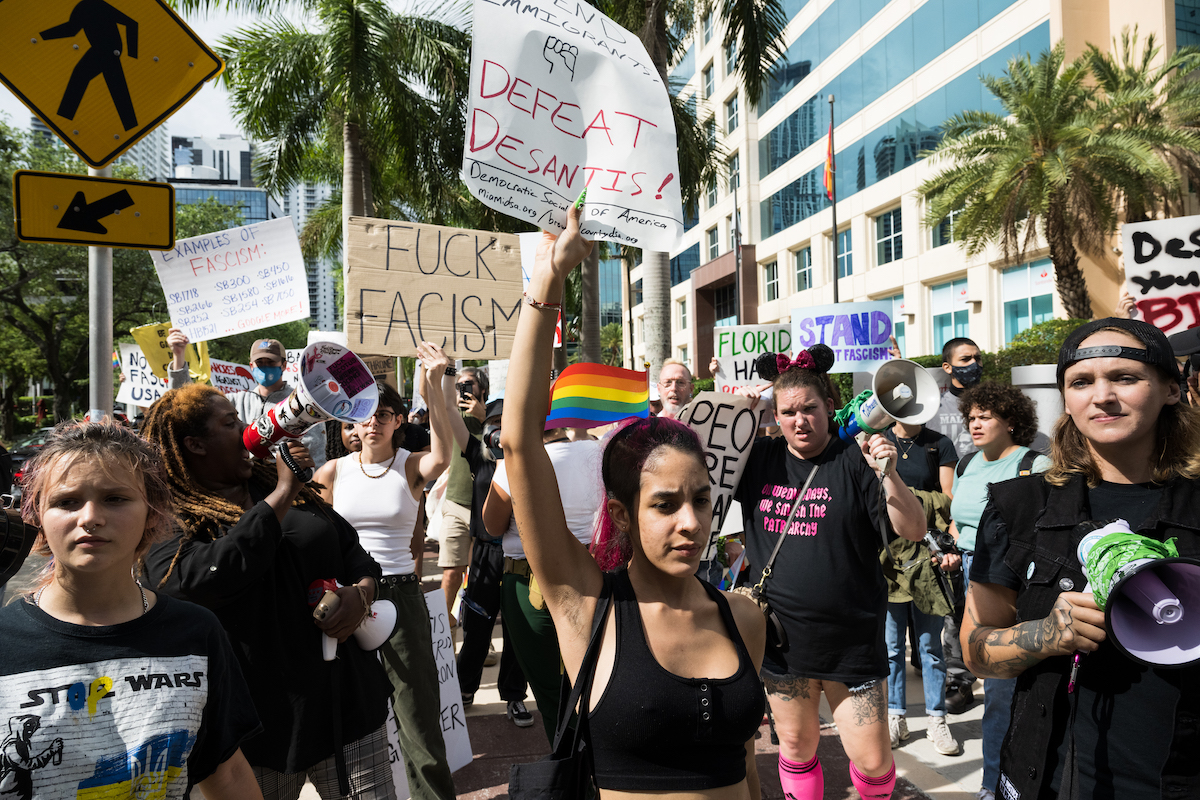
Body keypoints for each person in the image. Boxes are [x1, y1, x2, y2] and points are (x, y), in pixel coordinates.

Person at [503, 205, 768, 797]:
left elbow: (747, 766)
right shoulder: (585, 604)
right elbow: (519, 442)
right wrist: (547, 284)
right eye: (665, 504)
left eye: (701, 500)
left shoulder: (744, 618)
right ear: (622, 514)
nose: (691, 522)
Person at [964, 317, 1200, 800]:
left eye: (1126, 378)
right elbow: (976, 650)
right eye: (1082, 382)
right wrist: (1047, 636)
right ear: (1066, 401)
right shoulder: (1018, 507)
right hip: (1048, 783)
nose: (1102, 396)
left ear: (1171, 389)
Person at [141, 385, 395, 800]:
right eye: (229, 423)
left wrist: (362, 594)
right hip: (255, 732)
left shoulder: (276, 486)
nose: (246, 428)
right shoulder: (170, 517)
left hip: (345, 706)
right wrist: (280, 495)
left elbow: (354, 554)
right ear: (194, 445)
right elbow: (200, 581)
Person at [0, 421, 262, 799]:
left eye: (115, 498)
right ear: (36, 516)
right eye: (67, 501)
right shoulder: (5, 641)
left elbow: (227, 773)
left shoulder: (196, 633)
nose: (90, 517)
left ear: (152, 514)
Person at [734, 346, 928, 800]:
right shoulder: (757, 458)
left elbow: (914, 529)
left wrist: (889, 474)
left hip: (851, 643)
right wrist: (741, 411)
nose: (800, 420)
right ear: (775, 415)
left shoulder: (856, 458)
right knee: (798, 748)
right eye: (787, 412)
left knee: (874, 761)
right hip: (782, 643)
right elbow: (697, 459)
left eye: (809, 409)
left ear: (828, 407)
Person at [313, 350, 457, 800]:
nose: (373, 422)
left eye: (385, 414)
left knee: (417, 719)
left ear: (398, 421)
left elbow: (445, 451)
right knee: (346, 715)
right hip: (346, 596)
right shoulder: (331, 472)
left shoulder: (412, 465)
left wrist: (435, 383)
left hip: (400, 595)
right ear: (351, 424)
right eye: (365, 415)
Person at [949, 382, 1051, 800]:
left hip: (1013, 580)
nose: (975, 424)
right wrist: (953, 544)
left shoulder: (1035, 464)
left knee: (1003, 686)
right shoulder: (966, 463)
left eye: (985, 416)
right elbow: (959, 516)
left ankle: (996, 786)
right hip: (969, 574)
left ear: (1011, 421)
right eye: (971, 417)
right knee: (988, 677)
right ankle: (995, 783)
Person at [484, 426, 605, 744]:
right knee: (596, 683)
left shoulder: (516, 461)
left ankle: (572, 773)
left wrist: (502, 462)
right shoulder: (601, 453)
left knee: (554, 696)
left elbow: (493, 524)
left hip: (528, 583)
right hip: (593, 577)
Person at [880, 419, 961, 756]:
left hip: (926, 557)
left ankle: (936, 720)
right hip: (887, 557)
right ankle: (895, 716)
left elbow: (947, 498)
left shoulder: (939, 443)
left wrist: (947, 546)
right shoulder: (877, 441)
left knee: (929, 647)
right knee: (891, 647)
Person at [165, 330, 327, 468]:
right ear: (251, 366)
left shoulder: (301, 402)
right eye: (260, 362)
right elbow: (186, 405)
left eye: (270, 362)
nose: (265, 367)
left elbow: (316, 454)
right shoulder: (232, 402)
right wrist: (179, 356)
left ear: (283, 365)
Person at [438, 367, 488, 626]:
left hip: (487, 509)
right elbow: (438, 401)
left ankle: (478, 637)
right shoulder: (453, 414)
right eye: (459, 385)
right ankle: (445, 643)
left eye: (468, 384)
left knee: (480, 578)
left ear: (482, 389)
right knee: (451, 575)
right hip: (456, 504)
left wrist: (485, 418)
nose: (463, 390)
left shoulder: (495, 416)